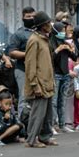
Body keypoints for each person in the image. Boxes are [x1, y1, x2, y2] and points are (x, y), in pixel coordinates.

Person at [24, 11, 58, 148]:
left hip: (47, 82)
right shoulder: (34, 40)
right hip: (39, 84)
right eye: (48, 23)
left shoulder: (44, 39)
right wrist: (35, 85)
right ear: (42, 26)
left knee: (48, 114)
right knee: (37, 114)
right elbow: (30, 65)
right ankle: (32, 140)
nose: (50, 25)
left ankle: (45, 137)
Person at [8, 6, 36, 118]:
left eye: (33, 16)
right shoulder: (19, 34)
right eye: (28, 16)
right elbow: (12, 52)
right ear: (23, 18)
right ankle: (22, 126)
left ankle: (35, 127)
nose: (31, 18)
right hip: (22, 70)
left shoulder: (40, 32)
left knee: (36, 99)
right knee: (24, 98)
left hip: (37, 71)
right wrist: (28, 54)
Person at [50, 21, 77, 134]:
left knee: (62, 101)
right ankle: (52, 125)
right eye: (60, 31)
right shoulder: (51, 43)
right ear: (55, 31)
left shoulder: (65, 42)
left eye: (63, 31)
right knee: (54, 102)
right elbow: (50, 58)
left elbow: (74, 58)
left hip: (65, 75)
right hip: (55, 74)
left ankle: (62, 125)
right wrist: (58, 49)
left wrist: (71, 49)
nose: (63, 33)